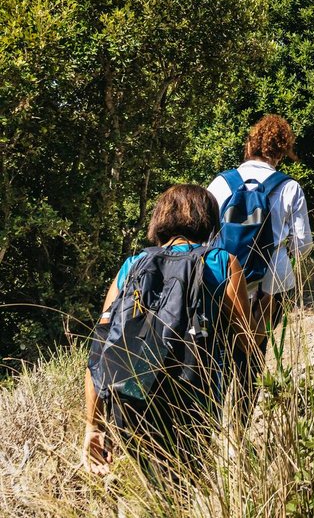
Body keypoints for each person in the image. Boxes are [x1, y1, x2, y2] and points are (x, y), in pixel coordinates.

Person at [84, 183, 254, 475]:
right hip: (194, 400)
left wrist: (93, 425)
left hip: (132, 397)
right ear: (209, 219)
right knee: (186, 483)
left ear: (159, 219)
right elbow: (246, 342)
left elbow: (101, 346)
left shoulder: (133, 265)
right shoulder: (222, 263)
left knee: (153, 483)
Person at [208, 114, 313, 347]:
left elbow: (206, 234)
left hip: (224, 276)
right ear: (282, 151)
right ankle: (253, 377)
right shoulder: (289, 187)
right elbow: (303, 243)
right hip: (274, 280)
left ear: (250, 144)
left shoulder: (221, 183)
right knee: (259, 344)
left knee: (223, 342)